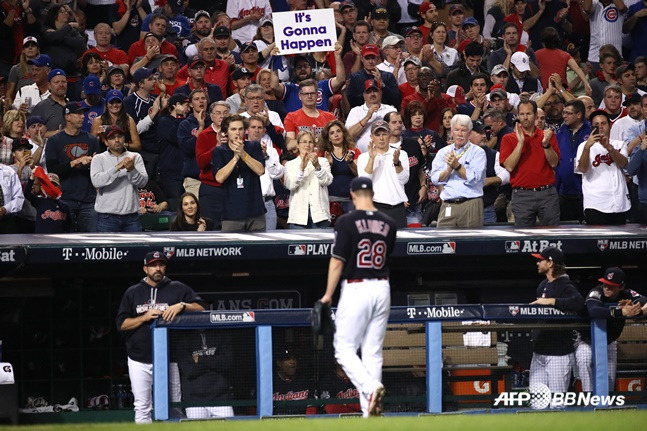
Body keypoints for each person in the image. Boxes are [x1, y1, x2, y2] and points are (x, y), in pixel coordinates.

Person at [319, 176, 397, 418]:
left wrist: (328, 295)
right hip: (382, 287)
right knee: (372, 351)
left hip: (357, 286)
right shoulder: (389, 222)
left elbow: (337, 261)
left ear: (352, 195)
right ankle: (369, 412)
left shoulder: (346, 221)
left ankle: (370, 387)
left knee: (343, 349)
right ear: (372, 193)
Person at [116, 250, 205, 424]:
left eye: (161, 264)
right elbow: (121, 325)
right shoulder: (133, 292)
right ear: (145, 269)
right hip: (139, 358)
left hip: (169, 358)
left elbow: (201, 308)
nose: (158, 268)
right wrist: (144, 317)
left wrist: (182, 305)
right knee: (142, 407)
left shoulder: (178, 288)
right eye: (153, 265)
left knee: (173, 406)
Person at [574, 267, 647, 394]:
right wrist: (621, 311)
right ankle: (589, 401)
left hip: (609, 343)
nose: (607, 287)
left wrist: (637, 310)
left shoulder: (627, 294)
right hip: (587, 342)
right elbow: (593, 310)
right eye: (605, 284)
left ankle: (605, 407)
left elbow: (644, 301)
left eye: (611, 286)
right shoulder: (596, 292)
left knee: (608, 384)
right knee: (584, 359)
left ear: (621, 287)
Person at [528, 247, 584, 401]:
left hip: (559, 354)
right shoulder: (542, 285)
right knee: (537, 401)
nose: (537, 263)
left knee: (557, 402)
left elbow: (578, 303)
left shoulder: (565, 284)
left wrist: (551, 301)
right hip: (539, 352)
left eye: (540, 260)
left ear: (550, 263)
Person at [500, 100, 561, 226]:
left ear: (535, 115)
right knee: (523, 237)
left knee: (551, 234)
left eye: (528, 113)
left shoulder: (548, 136)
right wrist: (520, 143)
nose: (525, 117)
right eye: (522, 114)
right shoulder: (508, 138)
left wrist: (546, 145)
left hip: (547, 194)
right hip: (522, 195)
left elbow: (554, 163)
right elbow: (509, 166)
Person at [45, 102, 102, 232]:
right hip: (64, 199)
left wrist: (92, 164)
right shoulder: (55, 141)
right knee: (64, 242)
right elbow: (53, 171)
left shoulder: (91, 140)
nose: (82, 117)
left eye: (83, 113)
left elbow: (98, 171)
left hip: (88, 200)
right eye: (78, 113)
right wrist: (76, 162)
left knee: (92, 241)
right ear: (67, 117)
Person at [430, 114, 487, 227]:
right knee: (444, 242)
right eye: (456, 130)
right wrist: (448, 169)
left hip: (471, 204)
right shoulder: (443, 152)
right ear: (451, 132)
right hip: (448, 204)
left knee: (470, 244)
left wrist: (457, 166)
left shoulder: (478, 152)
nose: (460, 134)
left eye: (463, 130)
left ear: (469, 133)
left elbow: (474, 178)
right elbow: (435, 179)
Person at [575, 110, 630, 225]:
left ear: (609, 126)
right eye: (596, 124)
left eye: (603, 123)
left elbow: (623, 163)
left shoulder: (619, 144)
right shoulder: (583, 146)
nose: (600, 127)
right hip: (596, 204)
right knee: (596, 242)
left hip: (619, 203)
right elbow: (582, 169)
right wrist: (587, 148)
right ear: (591, 127)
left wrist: (608, 147)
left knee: (618, 242)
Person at [213, 114, 266, 232]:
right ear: (226, 132)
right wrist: (235, 158)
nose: (237, 133)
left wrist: (243, 154)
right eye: (233, 129)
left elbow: (260, 170)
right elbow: (219, 178)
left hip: (255, 213)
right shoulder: (219, 151)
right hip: (231, 214)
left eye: (240, 129)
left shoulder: (253, 146)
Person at [90, 125, 148, 232]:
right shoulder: (98, 158)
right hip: (106, 217)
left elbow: (143, 183)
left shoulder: (135, 157)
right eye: (112, 137)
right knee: (107, 249)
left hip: (132, 216)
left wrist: (132, 170)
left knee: (135, 249)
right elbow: (96, 182)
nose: (117, 140)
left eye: (120, 136)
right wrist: (117, 167)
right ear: (106, 142)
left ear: (124, 139)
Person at [356, 120, 409, 227]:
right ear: (371, 137)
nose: (381, 138)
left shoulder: (401, 154)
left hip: (398, 208)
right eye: (378, 134)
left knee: (398, 243)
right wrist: (372, 159)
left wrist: (396, 163)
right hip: (375, 207)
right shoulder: (363, 157)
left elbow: (404, 180)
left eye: (384, 134)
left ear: (389, 136)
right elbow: (364, 183)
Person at [174, 330, 234, 419]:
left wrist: (200, 360)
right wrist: (213, 364)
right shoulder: (183, 338)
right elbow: (189, 370)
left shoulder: (221, 334)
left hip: (221, 399)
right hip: (194, 401)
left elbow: (226, 363)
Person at [284, 131, 333, 229]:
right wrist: (301, 168)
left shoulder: (323, 162)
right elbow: (290, 185)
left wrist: (317, 167)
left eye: (310, 142)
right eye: (304, 142)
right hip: (298, 217)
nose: (307, 145)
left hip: (320, 215)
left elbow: (327, 181)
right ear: (298, 145)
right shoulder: (290, 164)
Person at [555, 99, 591, 223]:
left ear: (579, 114)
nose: (564, 116)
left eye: (568, 113)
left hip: (585, 191)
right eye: (563, 113)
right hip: (564, 191)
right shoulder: (561, 132)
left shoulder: (591, 131)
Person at [346, 79, 397, 153]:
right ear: (364, 95)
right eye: (369, 92)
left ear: (381, 93)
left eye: (375, 91)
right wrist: (367, 117)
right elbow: (348, 135)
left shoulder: (391, 110)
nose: (372, 94)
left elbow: (398, 132)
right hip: (362, 156)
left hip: (387, 154)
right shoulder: (355, 111)